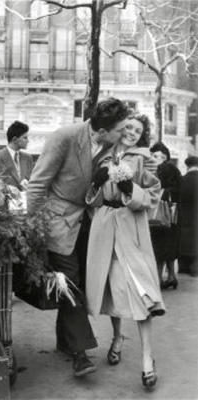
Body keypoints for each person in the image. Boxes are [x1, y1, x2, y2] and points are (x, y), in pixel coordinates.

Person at [27, 98, 131, 378]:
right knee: (70, 282)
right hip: (58, 222)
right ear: (102, 131)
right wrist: (34, 229)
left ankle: (64, 341)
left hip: (89, 223)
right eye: (120, 129)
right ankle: (81, 354)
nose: (125, 134)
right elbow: (37, 184)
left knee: (80, 282)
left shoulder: (111, 146)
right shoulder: (65, 137)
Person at [86, 112, 165, 388]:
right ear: (119, 129)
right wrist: (96, 184)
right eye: (128, 127)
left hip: (131, 230)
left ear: (142, 135)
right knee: (113, 288)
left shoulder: (145, 159)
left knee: (142, 292)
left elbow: (154, 195)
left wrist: (130, 189)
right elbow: (93, 201)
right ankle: (118, 337)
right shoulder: (103, 157)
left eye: (137, 129)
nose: (131, 132)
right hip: (105, 228)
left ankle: (147, 358)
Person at [149, 142, 181, 289]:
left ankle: (159, 279)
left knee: (159, 246)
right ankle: (172, 277)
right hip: (172, 214)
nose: (158, 158)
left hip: (159, 215)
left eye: (162, 156)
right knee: (170, 245)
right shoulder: (174, 169)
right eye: (155, 155)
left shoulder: (159, 169)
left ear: (166, 158)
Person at [0, 120, 33, 191]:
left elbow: (32, 181)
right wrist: (8, 189)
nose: (28, 141)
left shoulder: (28, 158)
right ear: (15, 139)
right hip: (4, 201)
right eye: (25, 138)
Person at [179, 156, 198, 277]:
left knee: (185, 240)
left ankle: (183, 268)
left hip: (185, 215)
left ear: (187, 166)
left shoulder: (182, 179)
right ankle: (195, 269)